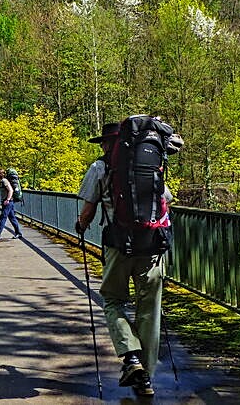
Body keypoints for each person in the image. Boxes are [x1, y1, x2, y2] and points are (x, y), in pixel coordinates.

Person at [74, 121, 175, 397]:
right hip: (152, 245)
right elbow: (166, 198)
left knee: (113, 300)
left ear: (110, 143)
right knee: (150, 308)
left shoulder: (100, 167)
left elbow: (88, 210)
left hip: (118, 245)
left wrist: (81, 226)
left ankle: (130, 357)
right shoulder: (149, 165)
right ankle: (147, 377)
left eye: (105, 142)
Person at [0, 168, 23, 240]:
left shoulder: (4, 181)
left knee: (3, 217)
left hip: (8, 202)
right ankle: (18, 233)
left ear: (0, 174)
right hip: (8, 202)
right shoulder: (2, 181)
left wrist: (7, 199)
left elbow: (10, 190)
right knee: (12, 218)